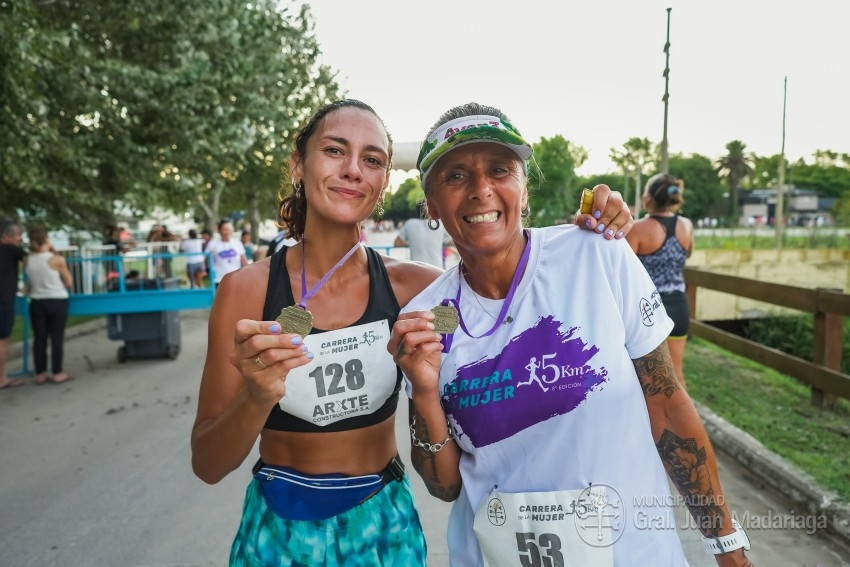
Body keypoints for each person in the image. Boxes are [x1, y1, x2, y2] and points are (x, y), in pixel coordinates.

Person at [190, 99, 633, 566]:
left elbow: (507, 309)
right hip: (276, 533)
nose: (352, 170)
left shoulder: (419, 292)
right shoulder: (244, 292)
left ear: (384, 182)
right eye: (335, 151)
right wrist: (257, 395)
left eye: (372, 160)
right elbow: (208, 464)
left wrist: (588, 233)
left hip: (383, 530)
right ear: (299, 165)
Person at [389, 102, 754, 567]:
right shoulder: (426, 317)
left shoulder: (596, 256)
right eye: (456, 176)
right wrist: (424, 392)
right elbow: (444, 487)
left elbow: (667, 405)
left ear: (524, 189)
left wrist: (727, 547)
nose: (481, 190)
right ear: (431, 205)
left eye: (500, 170)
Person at [626, 173, 694, 388]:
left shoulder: (637, 228)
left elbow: (624, 270)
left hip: (649, 307)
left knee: (647, 381)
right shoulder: (686, 225)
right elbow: (688, 253)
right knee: (677, 375)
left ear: (648, 199)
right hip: (679, 305)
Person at [25, 227, 74, 385]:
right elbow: (68, 282)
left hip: (37, 301)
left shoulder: (27, 259)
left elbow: (29, 282)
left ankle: (40, 373)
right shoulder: (56, 259)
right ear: (46, 239)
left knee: (39, 338)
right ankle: (57, 372)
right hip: (56, 300)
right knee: (56, 337)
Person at [0, 220, 27, 390]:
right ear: (6, 236)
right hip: (3, 301)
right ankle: (1, 379)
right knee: (2, 341)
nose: (20, 239)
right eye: (18, 235)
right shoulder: (10, 249)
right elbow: (31, 260)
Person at [205, 219, 248, 285]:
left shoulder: (237, 243)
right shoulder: (213, 243)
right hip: (219, 280)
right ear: (219, 230)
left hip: (236, 279)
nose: (227, 232)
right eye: (225, 230)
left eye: (229, 229)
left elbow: (244, 261)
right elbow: (207, 260)